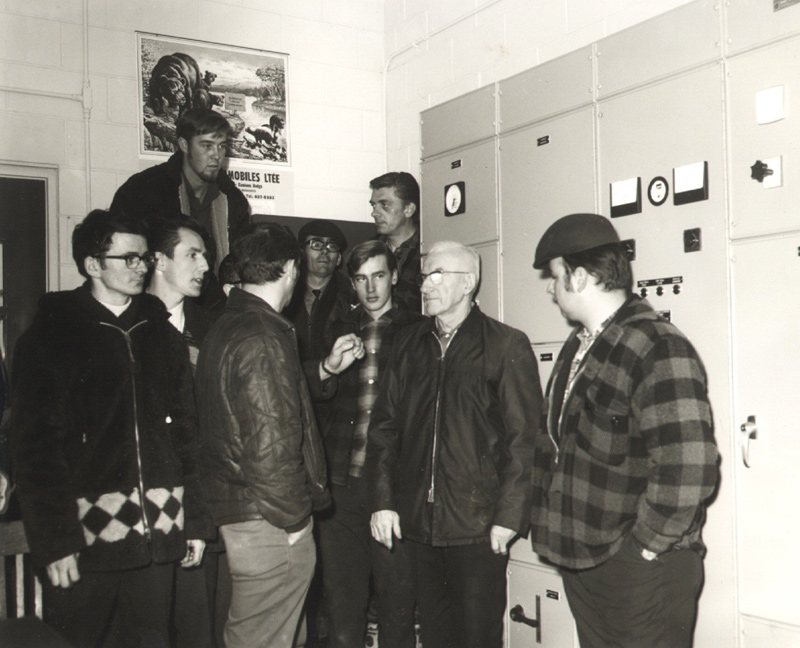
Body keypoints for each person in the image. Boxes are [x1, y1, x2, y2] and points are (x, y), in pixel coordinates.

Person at [11, 209, 208, 648]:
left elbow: (187, 438)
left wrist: (194, 521)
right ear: (92, 265)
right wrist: (56, 541)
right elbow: (36, 452)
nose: (141, 267)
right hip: (83, 544)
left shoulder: (161, 334)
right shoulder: (49, 337)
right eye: (128, 259)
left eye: (144, 258)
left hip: (159, 537)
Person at [530, 213, 720, 648]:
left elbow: (689, 467)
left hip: (638, 569)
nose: (549, 287)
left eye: (555, 275)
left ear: (579, 277)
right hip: (586, 558)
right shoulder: (580, 345)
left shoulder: (656, 346)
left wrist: (642, 551)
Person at [368, 240, 541, 648]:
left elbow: (525, 440)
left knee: (477, 638)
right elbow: (384, 429)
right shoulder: (409, 344)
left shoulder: (505, 345)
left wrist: (509, 516)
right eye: (424, 275)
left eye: (436, 275)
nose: (424, 284)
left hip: (478, 527)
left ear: (468, 283)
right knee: (435, 634)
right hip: (417, 526)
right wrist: (382, 500)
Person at [195, 224, 336, 648]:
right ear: (292, 268)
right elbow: (270, 443)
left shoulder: (228, 324)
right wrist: (294, 523)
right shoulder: (262, 336)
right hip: (270, 521)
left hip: (245, 513)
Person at [308, 240, 422, 648]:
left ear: (394, 276)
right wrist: (328, 368)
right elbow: (308, 395)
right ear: (350, 283)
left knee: (397, 603)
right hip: (341, 483)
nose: (370, 288)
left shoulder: (417, 331)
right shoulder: (335, 328)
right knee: (342, 603)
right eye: (360, 279)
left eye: (378, 276)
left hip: (392, 488)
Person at [146, 214, 234, 648]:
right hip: (145, 512)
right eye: (192, 255)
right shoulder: (132, 329)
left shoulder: (213, 329)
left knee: (203, 631)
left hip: (203, 506)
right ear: (159, 261)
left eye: (206, 256)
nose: (204, 267)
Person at [111, 107, 252, 308]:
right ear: (184, 145)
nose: (216, 156)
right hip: (153, 311)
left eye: (221, 147)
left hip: (213, 314)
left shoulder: (234, 200)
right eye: (207, 146)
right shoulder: (143, 190)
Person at [283, 218, 355, 363]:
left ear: (339, 258)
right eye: (316, 244)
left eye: (332, 246)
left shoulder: (353, 297)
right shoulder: (282, 293)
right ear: (302, 253)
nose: (324, 251)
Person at [369, 172, 421, 312]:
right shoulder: (368, 251)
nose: (375, 213)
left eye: (384, 205)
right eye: (374, 205)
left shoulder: (427, 250)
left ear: (408, 209)